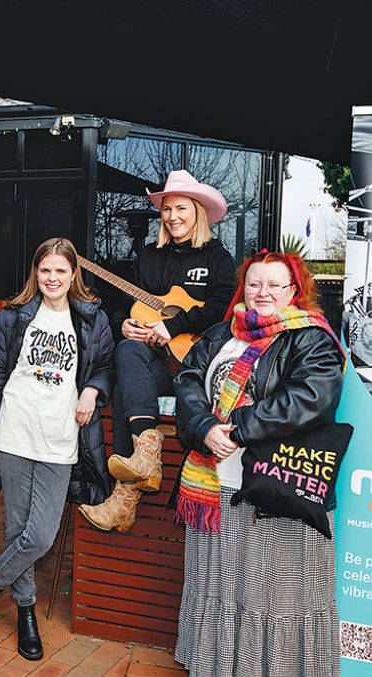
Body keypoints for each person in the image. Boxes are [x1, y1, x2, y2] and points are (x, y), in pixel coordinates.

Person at [173, 250, 343, 677]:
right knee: (224, 590)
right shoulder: (222, 334)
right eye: (253, 284)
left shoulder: (311, 337)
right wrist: (204, 425)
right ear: (241, 289)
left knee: (274, 596)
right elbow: (187, 379)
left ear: (295, 291)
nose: (262, 293)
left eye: (274, 285)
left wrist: (238, 427)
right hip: (214, 488)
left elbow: (313, 396)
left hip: (273, 491)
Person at [0, 238, 114, 660]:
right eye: (45, 271)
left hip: (60, 437)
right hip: (15, 432)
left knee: (40, 535)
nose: (52, 279)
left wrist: (92, 389)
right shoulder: (15, 316)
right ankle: (26, 612)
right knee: (17, 528)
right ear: (36, 273)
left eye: (60, 272)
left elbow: (104, 365)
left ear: (72, 276)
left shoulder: (90, 318)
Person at [80, 169, 237, 533]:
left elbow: (221, 308)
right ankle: (147, 451)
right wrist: (123, 324)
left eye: (180, 208)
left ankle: (124, 499)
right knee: (128, 351)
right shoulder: (149, 256)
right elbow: (122, 304)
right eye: (167, 210)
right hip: (150, 362)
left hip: (192, 364)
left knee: (123, 387)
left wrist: (175, 325)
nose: (173, 216)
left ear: (197, 211)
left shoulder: (217, 258)